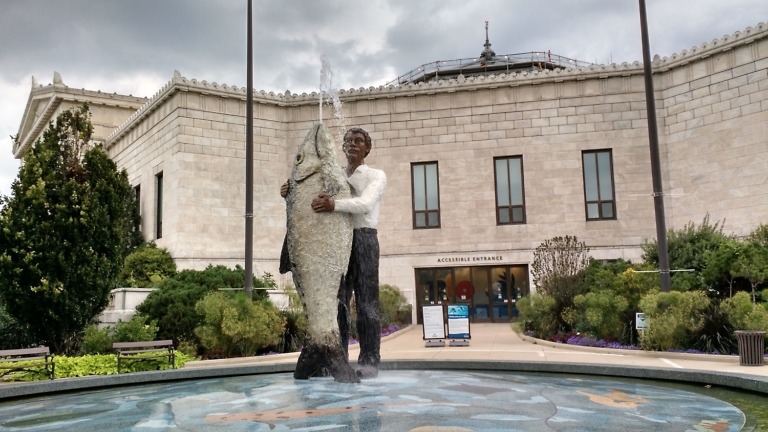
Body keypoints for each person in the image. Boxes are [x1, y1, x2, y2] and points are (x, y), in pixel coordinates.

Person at [281, 127, 386, 378]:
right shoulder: (333, 174)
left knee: (367, 302)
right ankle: (335, 357)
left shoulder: (376, 175)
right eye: (348, 140)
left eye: (358, 141)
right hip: (336, 242)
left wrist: (333, 204)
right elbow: (311, 203)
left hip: (363, 239)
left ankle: (370, 360)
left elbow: (366, 204)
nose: (352, 144)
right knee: (337, 302)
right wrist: (290, 193)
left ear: (367, 148)